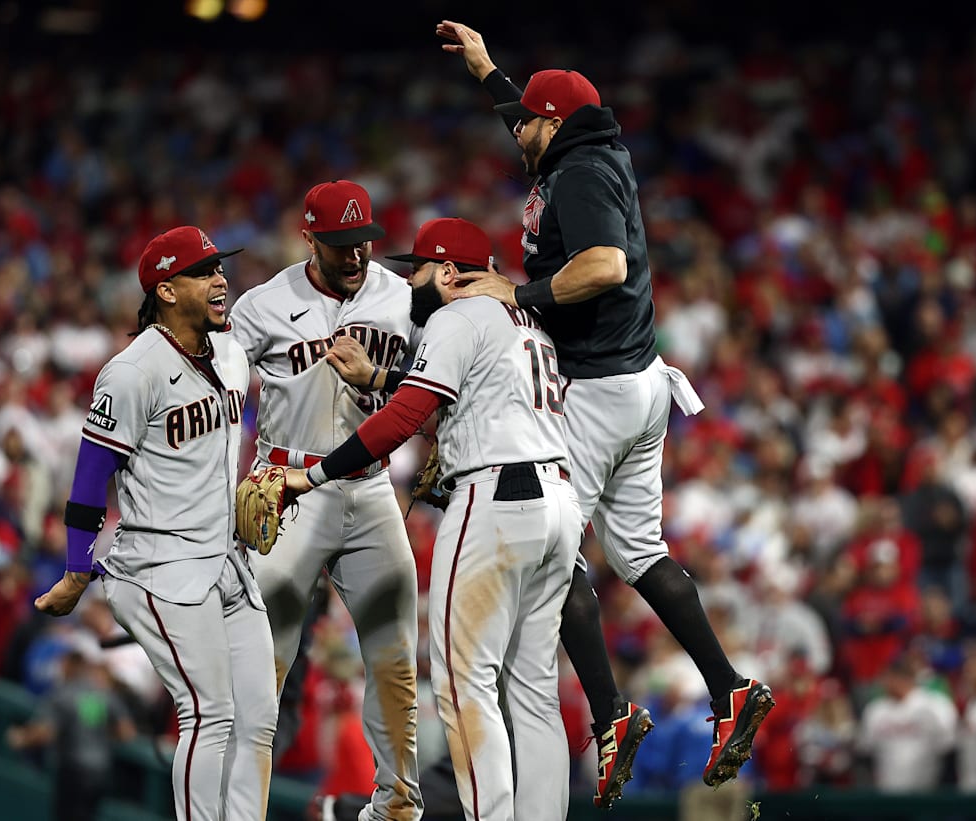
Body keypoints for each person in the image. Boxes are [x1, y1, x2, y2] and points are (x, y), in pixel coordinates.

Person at [435, 20, 773, 795]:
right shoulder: (587, 151)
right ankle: (729, 688)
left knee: (552, 551)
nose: (518, 128)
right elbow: (533, 118)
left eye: (528, 120)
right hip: (640, 381)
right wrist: (490, 72)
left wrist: (514, 293)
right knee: (639, 550)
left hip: (596, 387)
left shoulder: (580, 172)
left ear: (554, 124)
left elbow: (605, 264)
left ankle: (612, 709)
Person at [283, 217, 583, 821]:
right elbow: (467, 399)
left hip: (496, 501)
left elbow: (401, 419)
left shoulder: (456, 316)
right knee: (531, 689)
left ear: (447, 272)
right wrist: (387, 384)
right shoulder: (527, 320)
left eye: (417, 268)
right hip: (558, 505)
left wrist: (312, 475)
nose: (409, 281)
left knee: (464, 685)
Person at [33, 226, 278, 821]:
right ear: (166, 290)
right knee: (209, 710)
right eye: (204, 271)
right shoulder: (130, 372)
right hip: (159, 566)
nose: (221, 281)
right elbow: (92, 478)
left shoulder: (231, 353)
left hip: (225, 560)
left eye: (221, 268)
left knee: (258, 714)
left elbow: (233, 443)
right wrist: (74, 568)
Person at [227, 180, 422, 820]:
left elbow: (435, 382)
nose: (355, 256)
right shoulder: (262, 305)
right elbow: (214, 394)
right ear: (309, 237)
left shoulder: (402, 298)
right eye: (339, 245)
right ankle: (239, 809)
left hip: (369, 488)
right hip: (287, 488)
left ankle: (397, 807)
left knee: (394, 657)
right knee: (264, 664)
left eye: (362, 242)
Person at [6, 634, 137, 821]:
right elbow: (126, 732)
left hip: (73, 773)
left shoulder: (63, 694)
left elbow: (46, 733)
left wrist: (21, 738)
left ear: (68, 665)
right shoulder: (102, 693)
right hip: (100, 773)